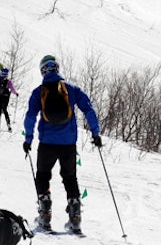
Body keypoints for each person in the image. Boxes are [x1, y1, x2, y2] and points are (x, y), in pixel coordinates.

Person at [22, 54, 102, 234]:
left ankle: (45, 216)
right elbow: (89, 109)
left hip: (47, 143)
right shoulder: (72, 89)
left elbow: (30, 116)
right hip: (68, 144)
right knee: (70, 178)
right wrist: (95, 133)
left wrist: (28, 139)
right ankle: (75, 219)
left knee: (42, 176)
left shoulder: (38, 92)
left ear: (43, 71)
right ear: (57, 68)